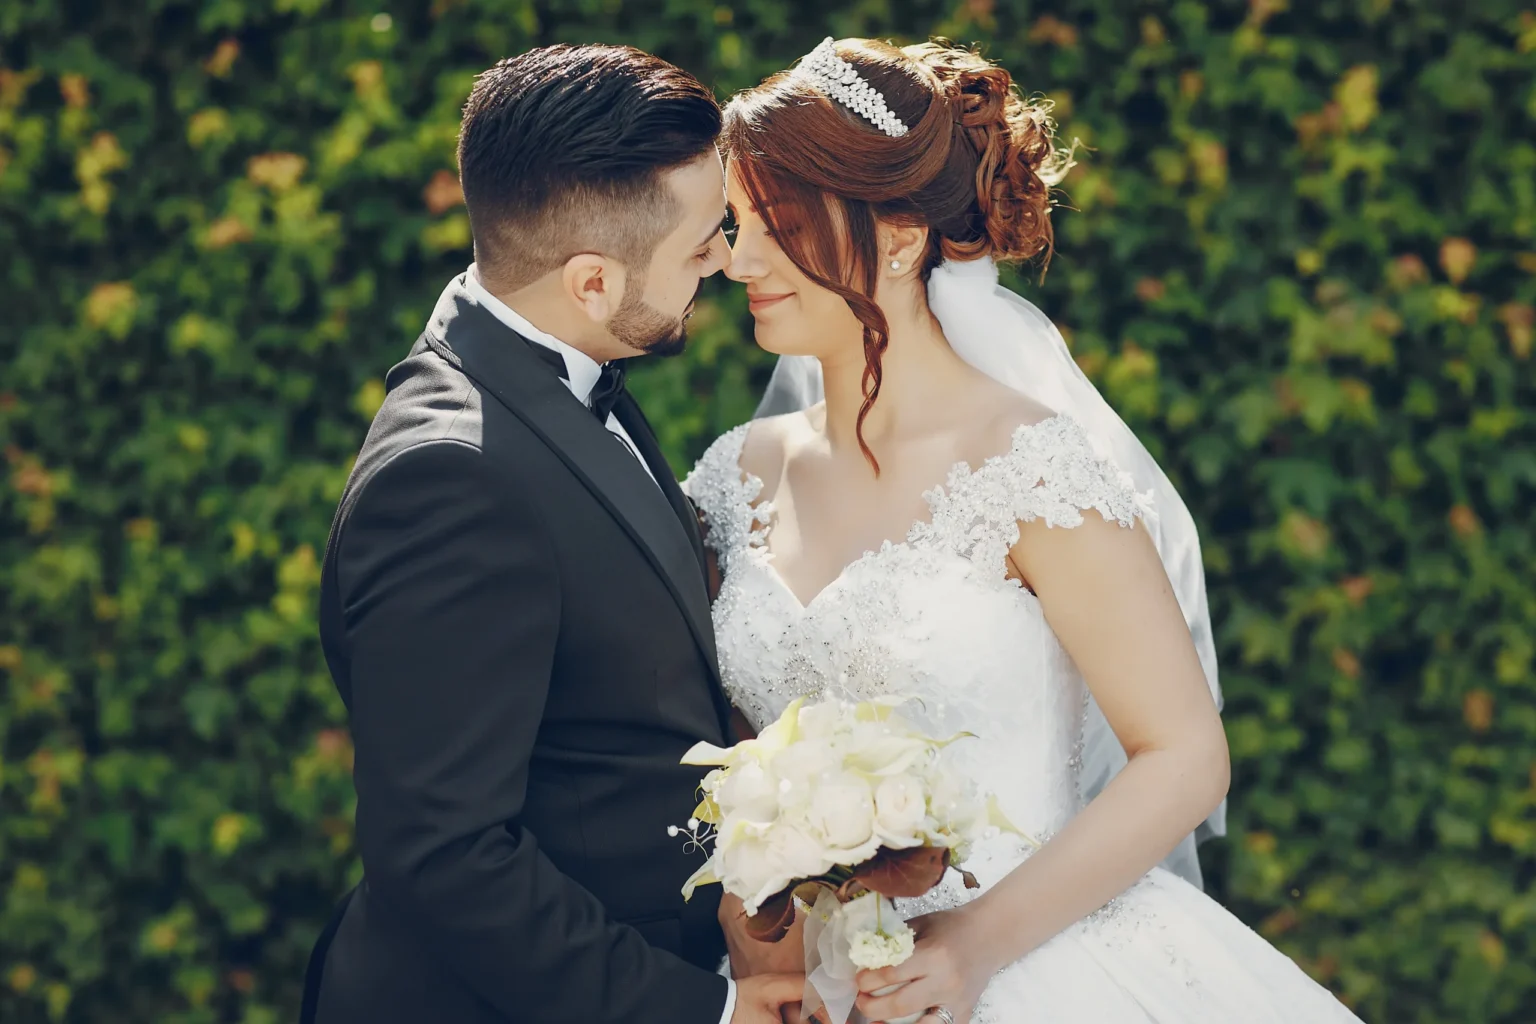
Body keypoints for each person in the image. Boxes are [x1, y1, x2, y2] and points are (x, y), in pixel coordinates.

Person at [684, 37, 1364, 1023]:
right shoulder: (733, 474)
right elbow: (737, 749)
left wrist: (971, 946)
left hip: (1030, 965)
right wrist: (763, 955)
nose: (738, 260)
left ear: (902, 236)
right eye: (738, 225)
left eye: (777, 226)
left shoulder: (1031, 468)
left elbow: (1182, 752)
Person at [301, 44, 802, 1024]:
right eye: (704, 239)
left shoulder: (546, 367)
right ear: (590, 283)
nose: (728, 259)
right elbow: (444, 857)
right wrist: (708, 1011)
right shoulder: (451, 480)